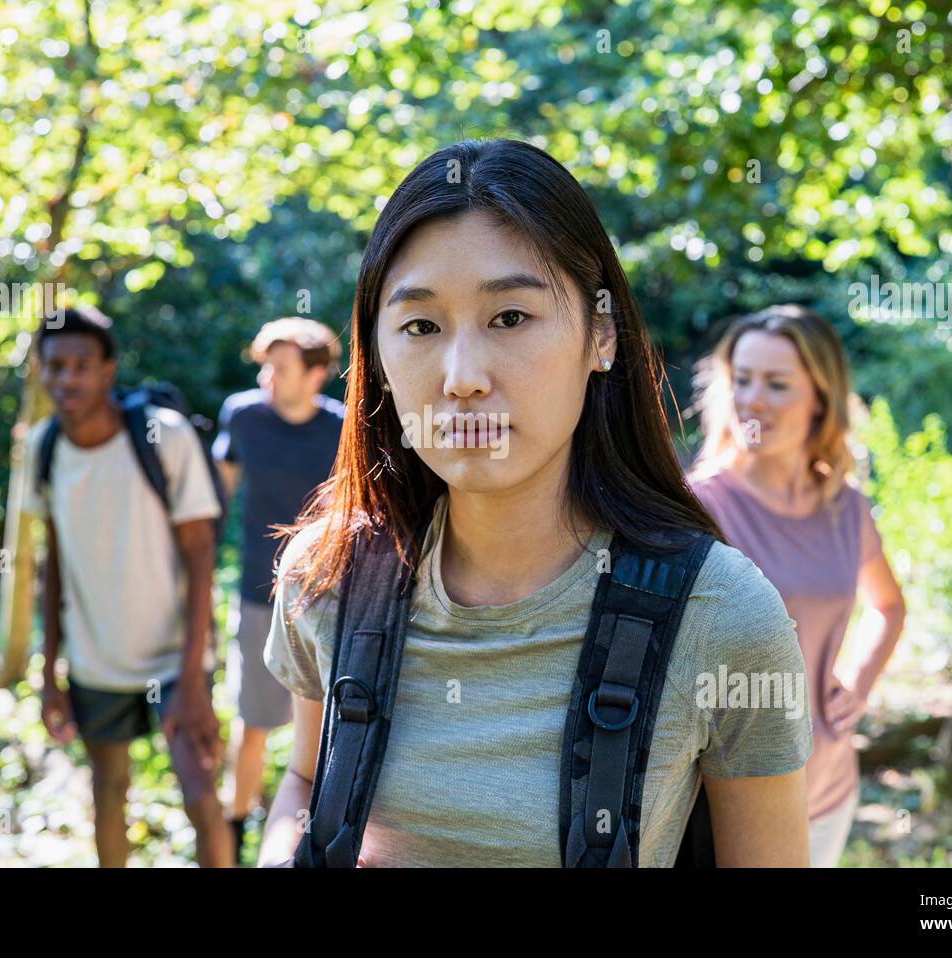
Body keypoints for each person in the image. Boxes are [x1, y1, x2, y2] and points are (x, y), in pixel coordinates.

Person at [255, 138, 815, 868]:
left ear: (602, 333)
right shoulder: (327, 576)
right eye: (421, 326)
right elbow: (307, 781)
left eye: (510, 317)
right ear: (380, 359)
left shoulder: (721, 615)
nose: (461, 377)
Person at [688, 304, 907, 867]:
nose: (753, 399)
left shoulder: (846, 508)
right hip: (730, 800)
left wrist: (857, 682)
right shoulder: (696, 508)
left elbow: (887, 605)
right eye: (743, 380)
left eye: (777, 384)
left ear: (819, 399)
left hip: (830, 783)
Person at [25, 304, 233, 867]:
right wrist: (49, 675)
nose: (67, 378)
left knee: (201, 797)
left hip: (175, 661)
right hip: (96, 663)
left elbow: (201, 556)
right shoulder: (42, 448)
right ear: (40, 371)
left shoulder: (160, 436)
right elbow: (54, 565)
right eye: (55, 366)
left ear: (108, 370)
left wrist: (193, 679)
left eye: (81, 365)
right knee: (107, 793)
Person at [211, 317, 344, 855]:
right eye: (264, 365)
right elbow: (216, 499)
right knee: (255, 720)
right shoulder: (242, 417)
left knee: (326, 735)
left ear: (315, 376)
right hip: (257, 593)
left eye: (280, 366)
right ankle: (235, 830)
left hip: (331, 596)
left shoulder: (341, 428)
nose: (267, 376)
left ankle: (309, 841)